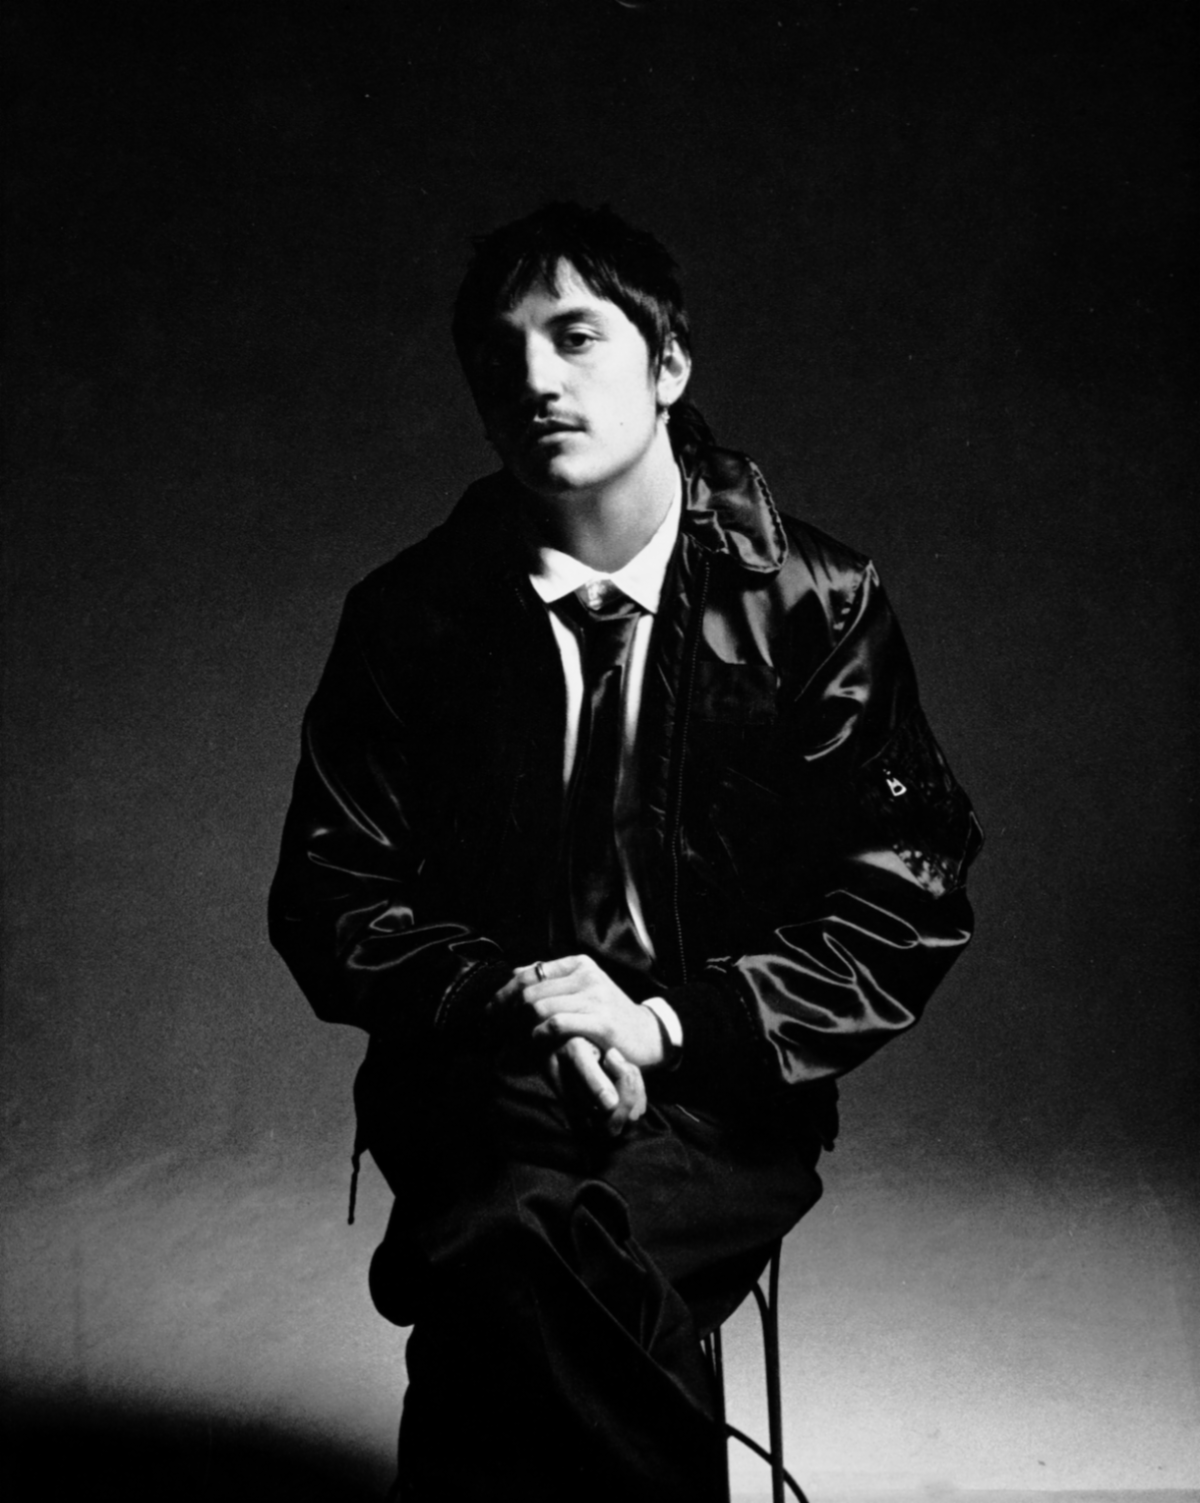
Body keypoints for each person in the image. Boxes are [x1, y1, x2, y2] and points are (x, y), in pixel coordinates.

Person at [268, 202, 982, 1502]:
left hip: (718, 1097)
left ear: (670, 363)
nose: (534, 377)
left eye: (576, 335)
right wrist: (519, 1004)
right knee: (534, 1236)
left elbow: (908, 891)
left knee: (510, 1248)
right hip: (478, 1079)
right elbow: (330, 891)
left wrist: (661, 1028)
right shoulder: (407, 617)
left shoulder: (814, 606)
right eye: (500, 353)